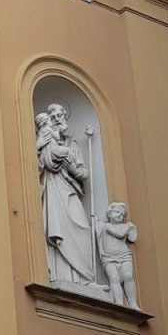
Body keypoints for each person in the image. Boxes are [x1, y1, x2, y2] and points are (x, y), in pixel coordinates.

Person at [36, 103, 95, 284]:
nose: (56, 119)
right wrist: (40, 148)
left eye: (59, 116)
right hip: (53, 188)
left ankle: (85, 277)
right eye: (52, 117)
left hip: (70, 191)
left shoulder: (73, 145)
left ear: (64, 118)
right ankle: (58, 276)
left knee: (82, 229)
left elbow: (84, 173)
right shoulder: (44, 142)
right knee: (56, 229)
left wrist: (70, 166)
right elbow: (35, 167)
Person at [96, 202, 139, 309]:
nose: (119, 215)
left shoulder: (124, 226)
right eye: (116, 212)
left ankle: (133, 303)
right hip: (108, 258)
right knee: (114, 278)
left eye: (122, 214)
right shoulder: (104, 226)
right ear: (109, 214)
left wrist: (131, 228)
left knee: (128, 276)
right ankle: (118, 303)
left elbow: (126, 236)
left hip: (124, 255)